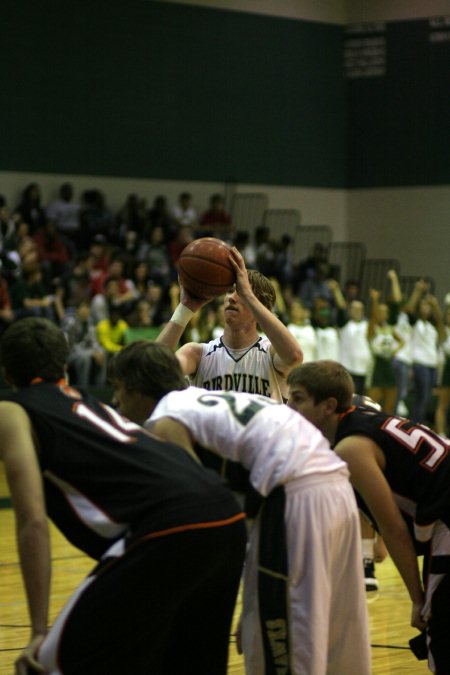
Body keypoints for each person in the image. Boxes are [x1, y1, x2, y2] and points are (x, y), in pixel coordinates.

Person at [0, 318, 247, 675]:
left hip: (170, 525)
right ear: (65, 369)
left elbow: (32, 521)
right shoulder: (91, 406)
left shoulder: (13, 410)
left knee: (47, 664)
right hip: (225, 515)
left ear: (8, 373)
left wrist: (38, 630)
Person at [108, 341, 371, 675]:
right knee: (338, 635)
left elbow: (200, 511)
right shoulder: (202, 400)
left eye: (117, 389)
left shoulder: (165, 420)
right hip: (335, 485)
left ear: (137, 388)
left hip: (295, 495)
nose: (115, 401)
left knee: (287, 644)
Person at [287, 359, 450, 673]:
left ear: (328, 406)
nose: (288, 406)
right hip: (441, 513)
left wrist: (416, 598)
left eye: (297, 398)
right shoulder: (361, 418)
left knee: (438, 633)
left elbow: (393, 528)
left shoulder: (350, 447)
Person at [156, 246, 303, 402]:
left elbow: (294, 356)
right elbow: (153, 370)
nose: (231, 298)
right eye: (229, 291)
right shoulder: (198, 355)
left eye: (241, 292)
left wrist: (248, 294)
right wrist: (185, 308)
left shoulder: (270, 354)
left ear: (259, 306)